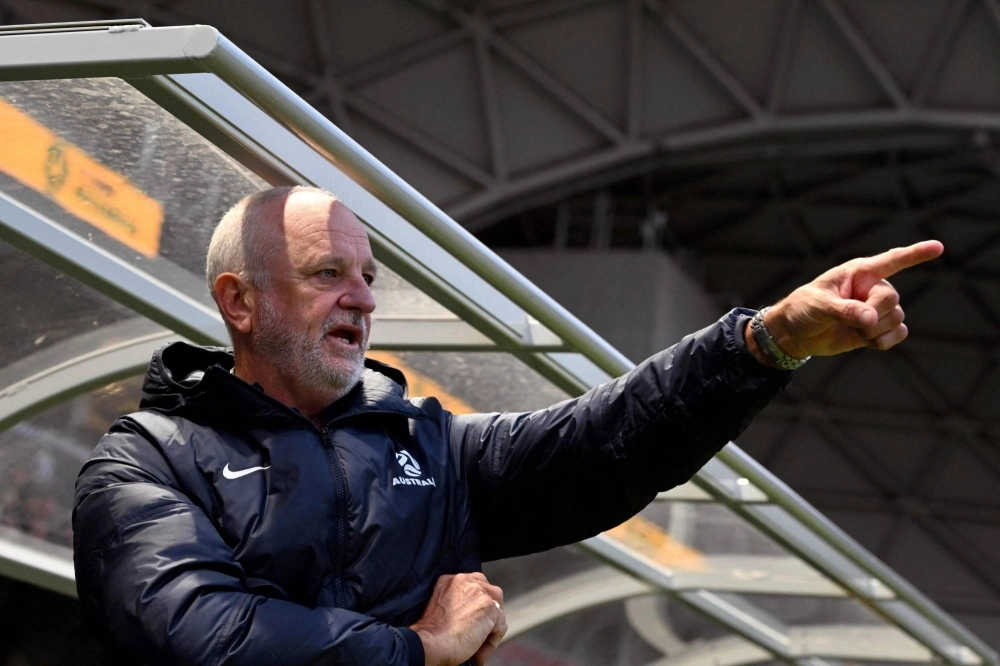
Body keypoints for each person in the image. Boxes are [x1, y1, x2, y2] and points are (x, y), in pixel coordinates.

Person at [72, 186, 943, 666]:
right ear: (240, 302)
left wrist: (766, 341)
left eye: (370, 276)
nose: (364, 298)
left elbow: (605, 443)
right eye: (327, 272)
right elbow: (203, 638)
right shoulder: (145, 465)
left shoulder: (427, 447)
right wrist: (421, 649)